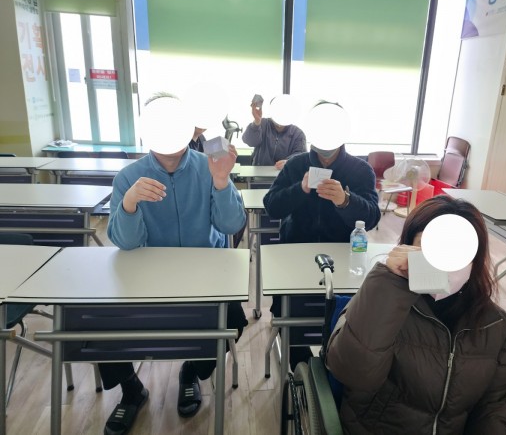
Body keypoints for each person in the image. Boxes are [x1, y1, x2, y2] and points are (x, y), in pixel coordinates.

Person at [102, 96, 247, 435]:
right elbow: (125, 242)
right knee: (98, 322)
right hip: (147, 278)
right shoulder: (129, 177)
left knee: (233, 320)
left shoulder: (209, 165)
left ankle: (191, 370)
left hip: (205, 276)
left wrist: (221, 181)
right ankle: (131, 389)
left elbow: (231, 224)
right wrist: (129, 202)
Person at [326, 195, 506, 434]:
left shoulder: (497, 326)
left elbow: (494, 405)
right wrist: (389, 283)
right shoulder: (381, 300)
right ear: (408, 247)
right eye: (430, 247)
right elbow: (352, 372)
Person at [263, 100, 381, 367]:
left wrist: (345, 201)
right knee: (291, 320)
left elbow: (373, 216)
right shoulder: (295, 165)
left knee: (347, 320)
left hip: (344, 260)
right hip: (295, 257)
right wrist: (300, 189)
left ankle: (334, 363)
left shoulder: (360, 170)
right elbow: (271, 206)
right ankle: (302, 372)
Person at [242, 94, 307, 169]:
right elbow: (250, 142)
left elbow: (301, 155)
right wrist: (257, 122)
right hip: (259, 172)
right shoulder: (262, 124)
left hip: (286, 173)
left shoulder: (298, 133)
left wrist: (289, 162)